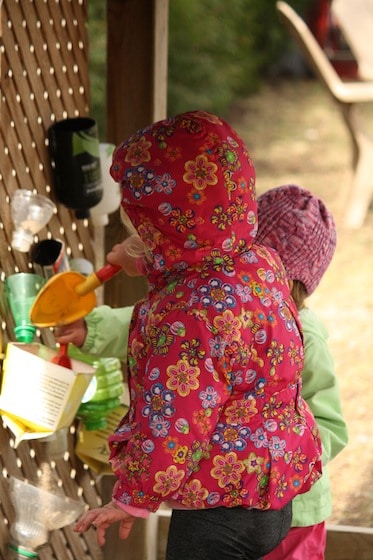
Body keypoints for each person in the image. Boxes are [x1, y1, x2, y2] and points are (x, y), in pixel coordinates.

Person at [56, 111, 323, 560]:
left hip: (219, 510)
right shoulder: (258, 262)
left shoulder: (184, 317)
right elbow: (203, 268)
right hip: (275, 492)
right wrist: (144, 258)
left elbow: (174, 419)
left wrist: (132, 498)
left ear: (159, 224)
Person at [255, 184, 349, 560]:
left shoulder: (305, 336)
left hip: (295, 509)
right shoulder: (230, 318)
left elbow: (330, 424)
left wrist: (283, 460)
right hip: (237, 500)